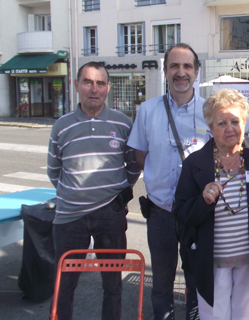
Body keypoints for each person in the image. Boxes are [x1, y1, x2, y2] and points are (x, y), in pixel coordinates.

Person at [173, 88, 249, 320]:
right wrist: (203, 201)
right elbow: (181, 213)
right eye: (221, 123)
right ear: (210, 128)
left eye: (235, 121)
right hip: (212, 263)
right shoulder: (195, 164)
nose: (229, 128)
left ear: (244, 122)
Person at [47, 61, 141, 320]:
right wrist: (75, 195)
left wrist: (116, 196)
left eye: (100, 83)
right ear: (76, 85)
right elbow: (53, 171)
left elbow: (133, 166)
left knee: (113, 285)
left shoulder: (123, 123)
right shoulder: (61, 126)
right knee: (64, 286)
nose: (94, 89)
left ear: (108, 88)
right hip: (69, 219)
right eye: (88, 82)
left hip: (109, 216)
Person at [127, 43, 210, 320]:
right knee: (161, 284)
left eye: (187, 66)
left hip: (196, 214)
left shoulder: (211, 112)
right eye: (174, 66)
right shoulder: (147, 111)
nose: (181, 72)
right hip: (160, 213)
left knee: (196, 283)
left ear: (196, 72)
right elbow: (140, 157)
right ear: (165, 71)